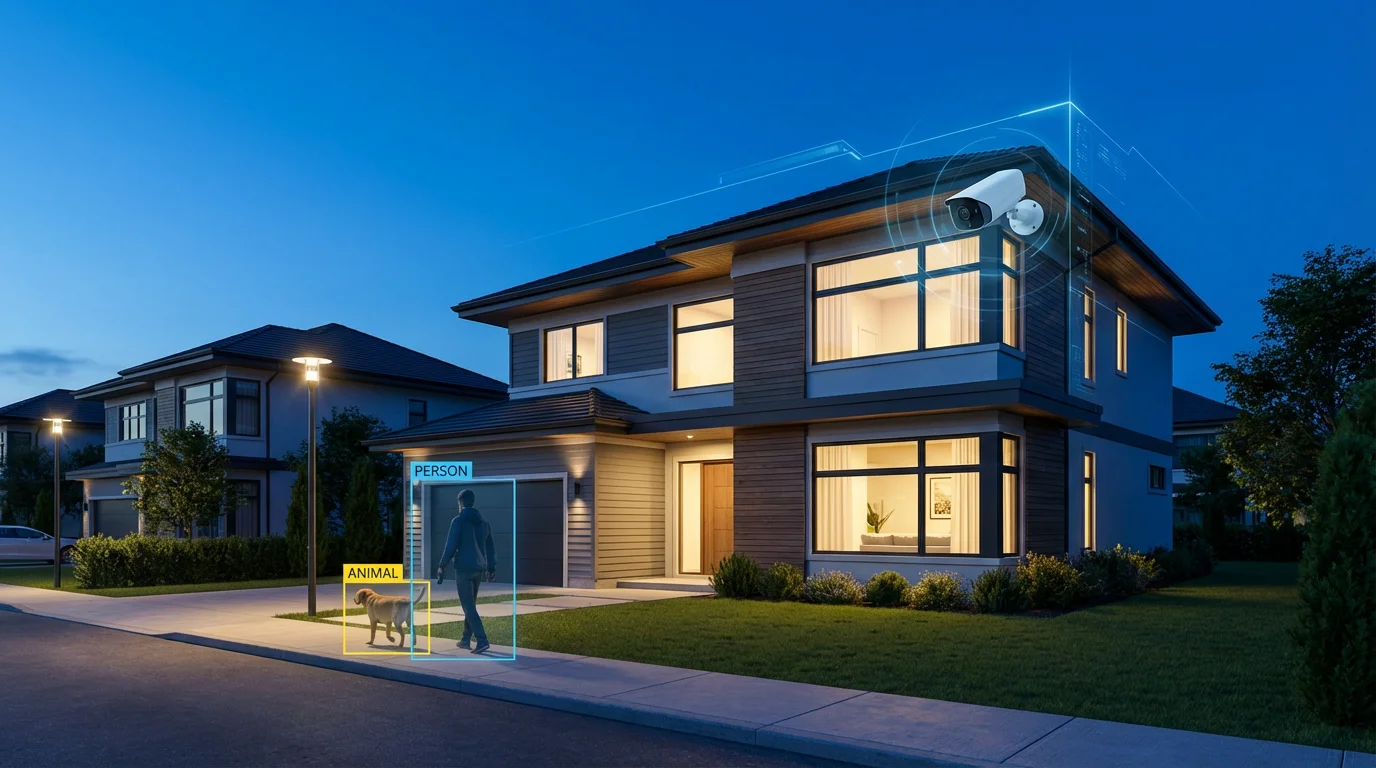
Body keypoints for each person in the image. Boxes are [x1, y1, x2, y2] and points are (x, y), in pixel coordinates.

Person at [435, 488, 498, 654]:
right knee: (471, 605)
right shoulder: (484, 522)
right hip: (479, 569)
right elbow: (491, 548)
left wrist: (442, 565)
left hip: (463, 569)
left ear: (460, 503)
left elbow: (451, 545)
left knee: (468, 606)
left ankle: (482, 640)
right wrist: (491, 568)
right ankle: (465, 639)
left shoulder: (458, 521)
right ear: (473, 502)